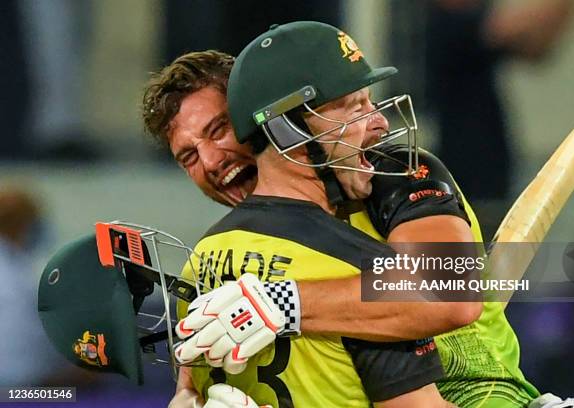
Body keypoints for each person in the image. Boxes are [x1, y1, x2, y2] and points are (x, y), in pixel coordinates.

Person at [142, 47, 532, 407]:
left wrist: (283, 302)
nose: (211, 162)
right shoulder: (218, 257)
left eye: (219, 130)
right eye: (189, 156)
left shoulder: (390, 172)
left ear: (266, 120)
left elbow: (451, 294)